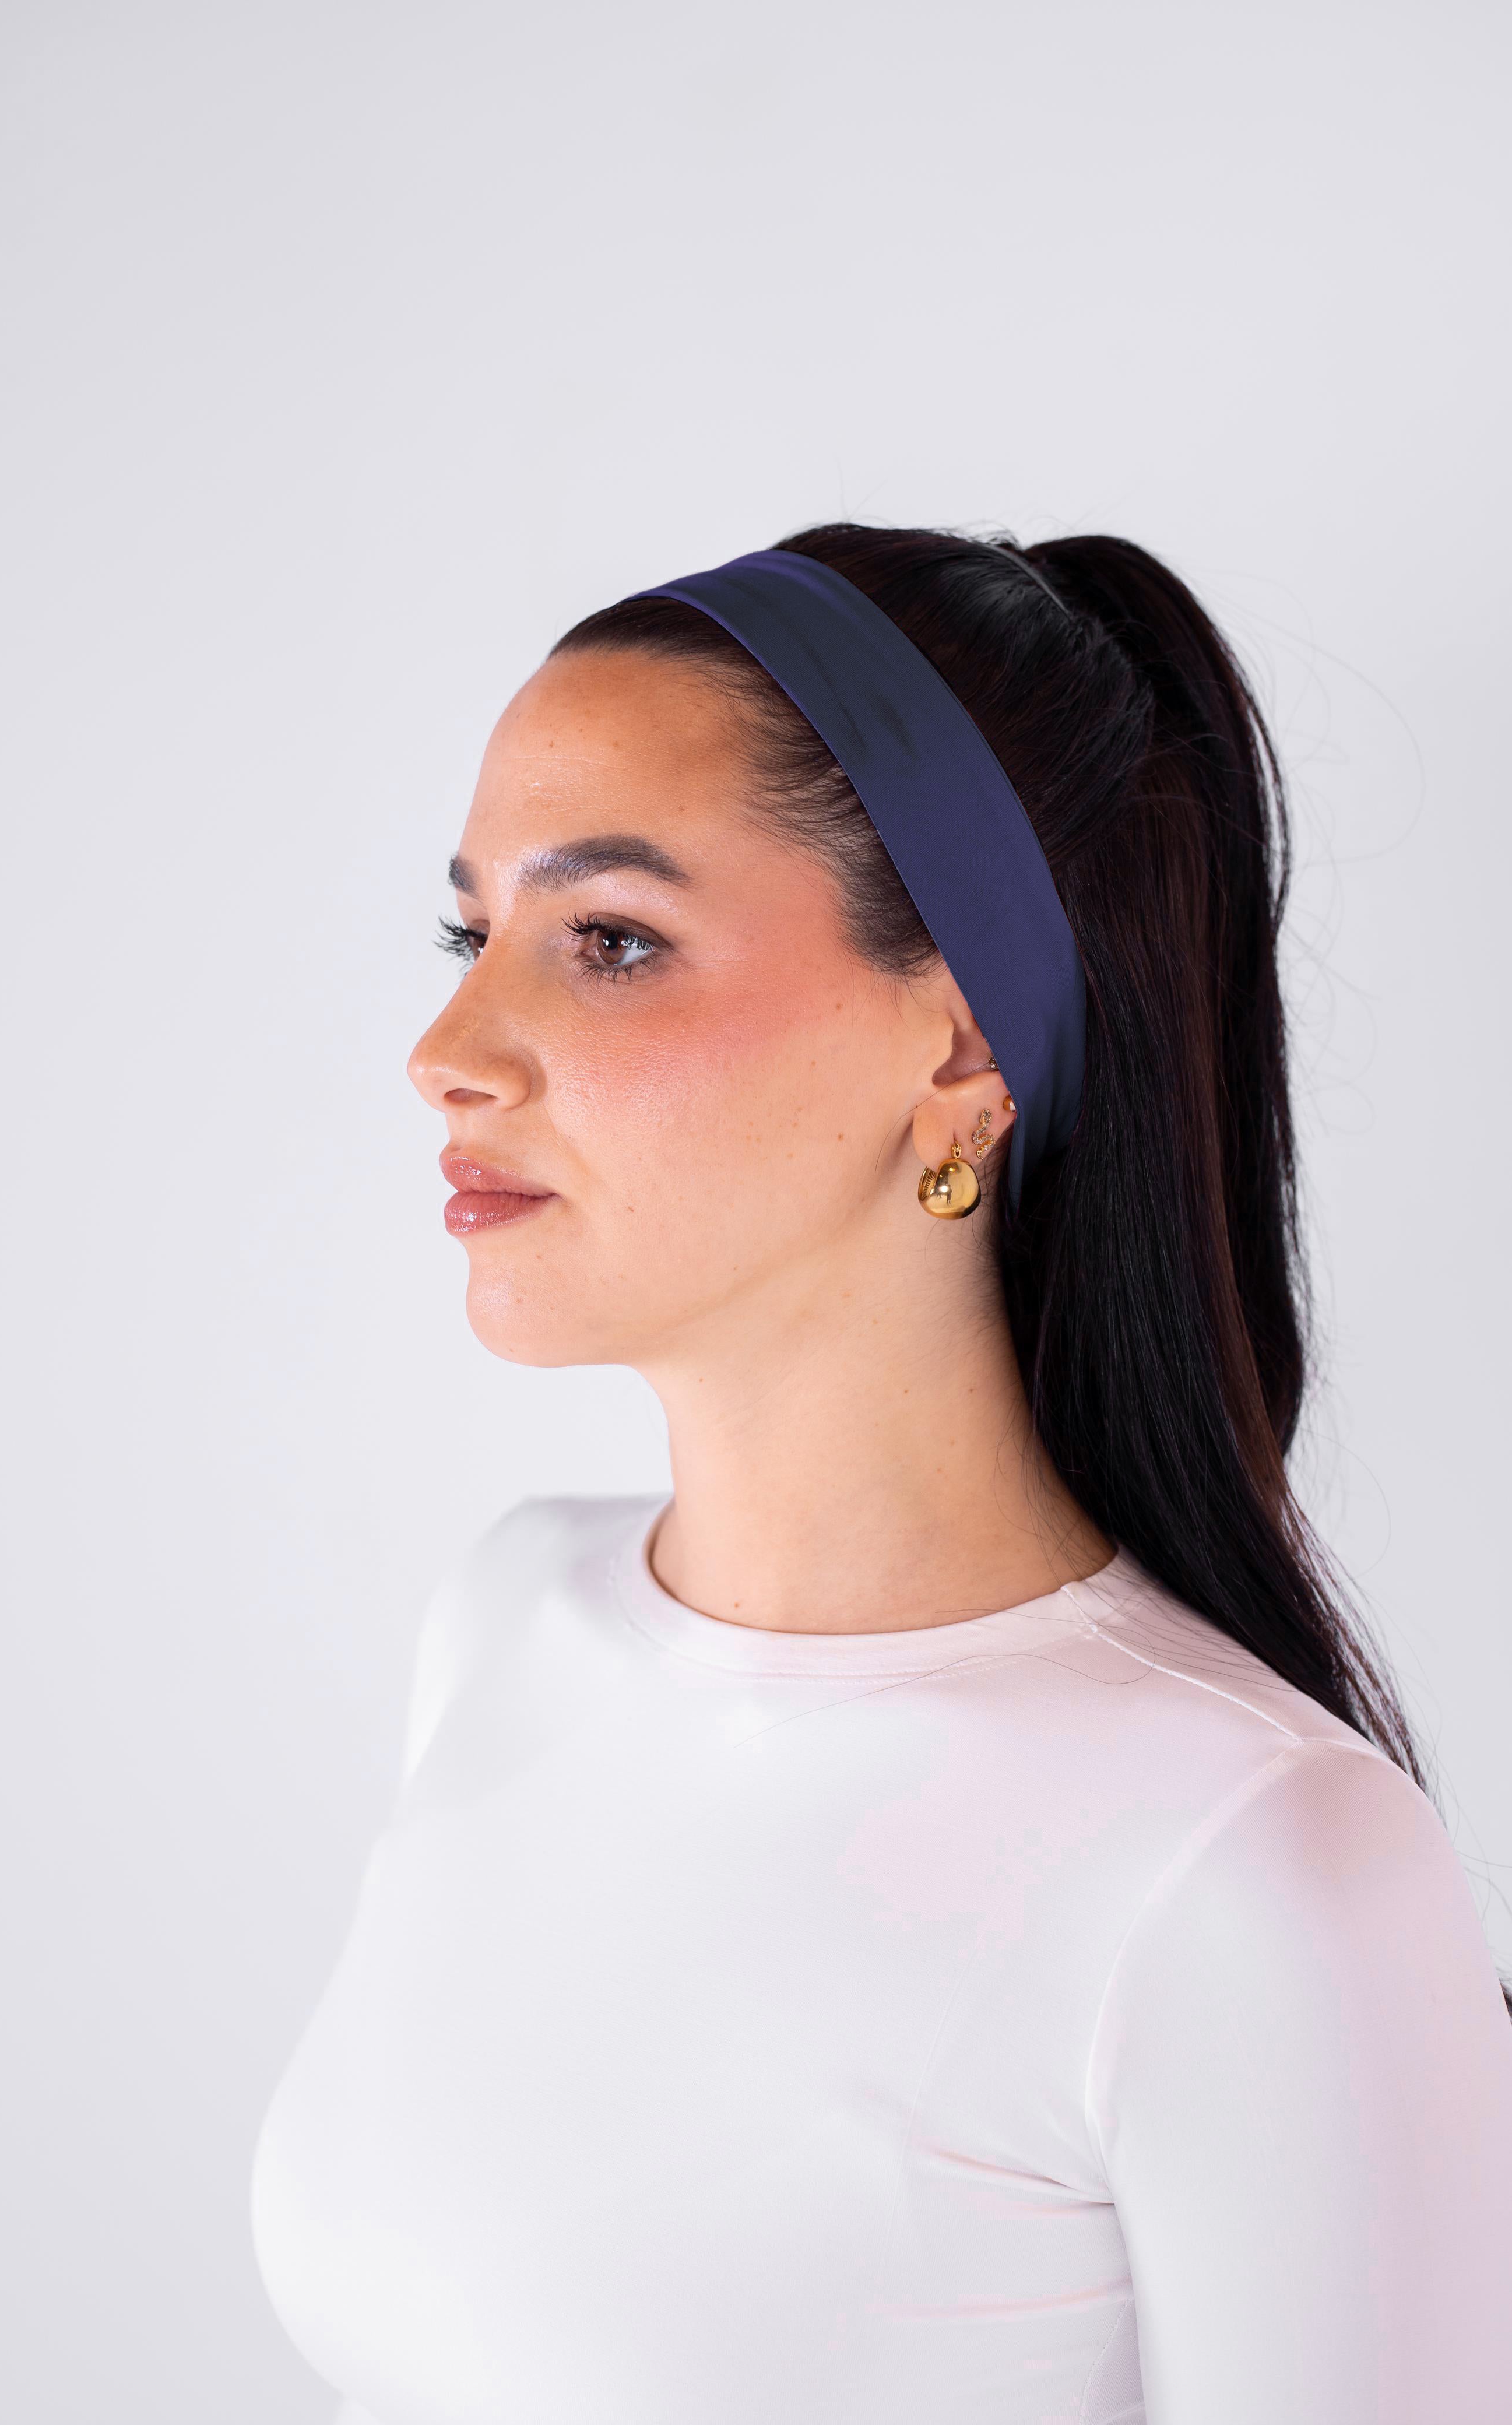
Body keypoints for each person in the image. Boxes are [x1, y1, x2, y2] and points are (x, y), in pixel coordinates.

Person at [251, 526, 1512, 2424]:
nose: (448, 1049)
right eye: (471, 934)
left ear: (960, 1041)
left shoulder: (1257, 1873)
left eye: (611, 941)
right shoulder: (509, 1621)